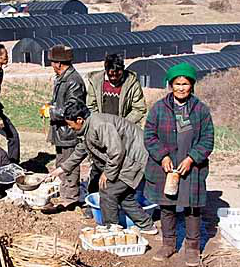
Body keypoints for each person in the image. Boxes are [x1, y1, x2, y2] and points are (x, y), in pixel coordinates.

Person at [47, 101, 158, 235]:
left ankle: (112, 228)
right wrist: (61, 169)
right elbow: (81, 150)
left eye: (70, 124)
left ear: (79, 120)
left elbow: (116, 151)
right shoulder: (88, 127)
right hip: (126, 159)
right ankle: (147, 225)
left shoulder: (100, 125)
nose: (70, 127)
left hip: (135, 159)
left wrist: (108, 173)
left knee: (107, 190)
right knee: (123, 196)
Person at [143, 62, 214, 267]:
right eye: (177, 84)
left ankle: (192, 248)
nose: (181, 88)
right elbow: (149, 136)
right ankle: (168, 244)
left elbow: (207, 139)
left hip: (191, 166)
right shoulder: (159, 108)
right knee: (167, 206)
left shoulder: (200, 110)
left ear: (192, 85)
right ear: (170, 85)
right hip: (165, 166)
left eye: (185, 84)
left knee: (192, 208)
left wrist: (191, 158)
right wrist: (163, 156)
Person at [85, 53, 147, 194]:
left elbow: (139, 108)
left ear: (122, 70)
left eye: (117, 75)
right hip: (101, 131)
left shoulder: (131, 82)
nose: (114, 78)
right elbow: (91, 106)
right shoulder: (96, 81)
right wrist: (99, 125)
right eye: (111, 75)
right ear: (106, 70)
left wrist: (122, 125)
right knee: (98, 164)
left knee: (122, 163)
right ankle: (94, 195)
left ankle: (123, 196)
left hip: (123, 132)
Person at [40, 45, 87, 208]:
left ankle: (70, 199)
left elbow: (74, 110)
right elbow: (61, 102)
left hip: (69, 132)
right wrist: (50, 105)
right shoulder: (63, 78)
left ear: (58, 63)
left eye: (52, 62)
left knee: (70, 165)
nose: (51, 65)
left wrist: (52, 112)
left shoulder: (73, 81)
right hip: (61, 132)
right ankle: (65, 194)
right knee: (61, 163)